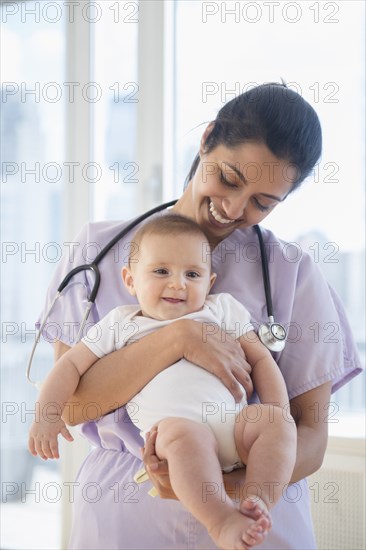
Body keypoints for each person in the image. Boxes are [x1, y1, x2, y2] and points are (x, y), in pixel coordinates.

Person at [36, 82, 362, 550]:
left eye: (262, 204)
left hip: (258, 519)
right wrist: (177, 339)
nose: (233, 207)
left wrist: (223, 492)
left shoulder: (293, 274)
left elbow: (309, 433)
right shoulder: (98, 252)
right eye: (229, 179)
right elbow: (73, 405)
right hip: (126, 514)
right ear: (207, 139)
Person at [29, 214, 297, 549]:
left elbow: (260, 360)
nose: (178, 284)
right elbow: (68, 366)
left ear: (209, 283)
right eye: (161, 271)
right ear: (130, 280)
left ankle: (256, 501)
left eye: (192, 274)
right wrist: (46, 414)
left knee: (274, 422)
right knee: (181, 434)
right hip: (179, 436)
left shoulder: (222, 310)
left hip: (238, 429)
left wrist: (278, 413)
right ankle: (221, 521)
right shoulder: (121, 324)